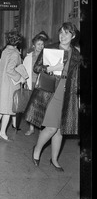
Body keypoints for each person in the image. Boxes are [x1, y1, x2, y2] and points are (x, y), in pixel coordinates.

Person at [25, 22, 81, 171]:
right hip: (51, 93)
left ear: (73, 36)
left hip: (68, 94)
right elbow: (37, 68)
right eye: (61, 33)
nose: (62, 36)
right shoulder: (50, 49)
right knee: (51, 127)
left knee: (60, 129)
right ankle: (37, 150)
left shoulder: (76, 54)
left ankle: (54, 159)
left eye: (66, 33)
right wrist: (52, 68)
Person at [0, 28, 27, 141]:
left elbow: (0, 69)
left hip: (2, 84)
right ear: (18, 42)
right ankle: (2, 133)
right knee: (8, 111)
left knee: (2, 108)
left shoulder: (5, 51)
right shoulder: (15, 53)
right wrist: (20, 78)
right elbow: (10, 70)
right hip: (10, 85)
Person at [23, 31, 49, 135]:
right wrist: (24, 82)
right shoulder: (29, 57)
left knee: (42, 106)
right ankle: (31, 128)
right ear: (34, 45)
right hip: (32, 82)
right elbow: (24, 70)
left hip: (42, 83)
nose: (41, 46)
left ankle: (41, 127)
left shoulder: (46, 56)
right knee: (31, 106)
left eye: (42, 44)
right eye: (38, 44)